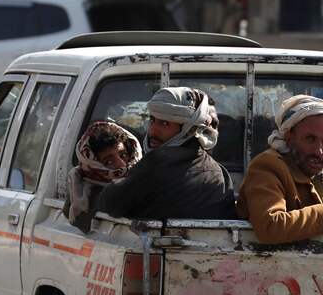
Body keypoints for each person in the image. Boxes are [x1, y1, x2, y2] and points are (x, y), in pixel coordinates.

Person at [237, 95, 323, 244]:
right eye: (310, 139)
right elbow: (270, 225)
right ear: (289, 137)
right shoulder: (268, 166)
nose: (318, 151)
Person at [95, 87, 236, 220]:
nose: (152, 131)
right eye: (152, 120)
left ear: (189, 129)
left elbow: (108, 205)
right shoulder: (218, 171)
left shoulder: (155, 165)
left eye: (164, 124)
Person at [63, 120, 142, 232]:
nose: (122, 164)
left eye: (123, 155)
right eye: (109, 162)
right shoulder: (82, 189)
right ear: (95, 165)